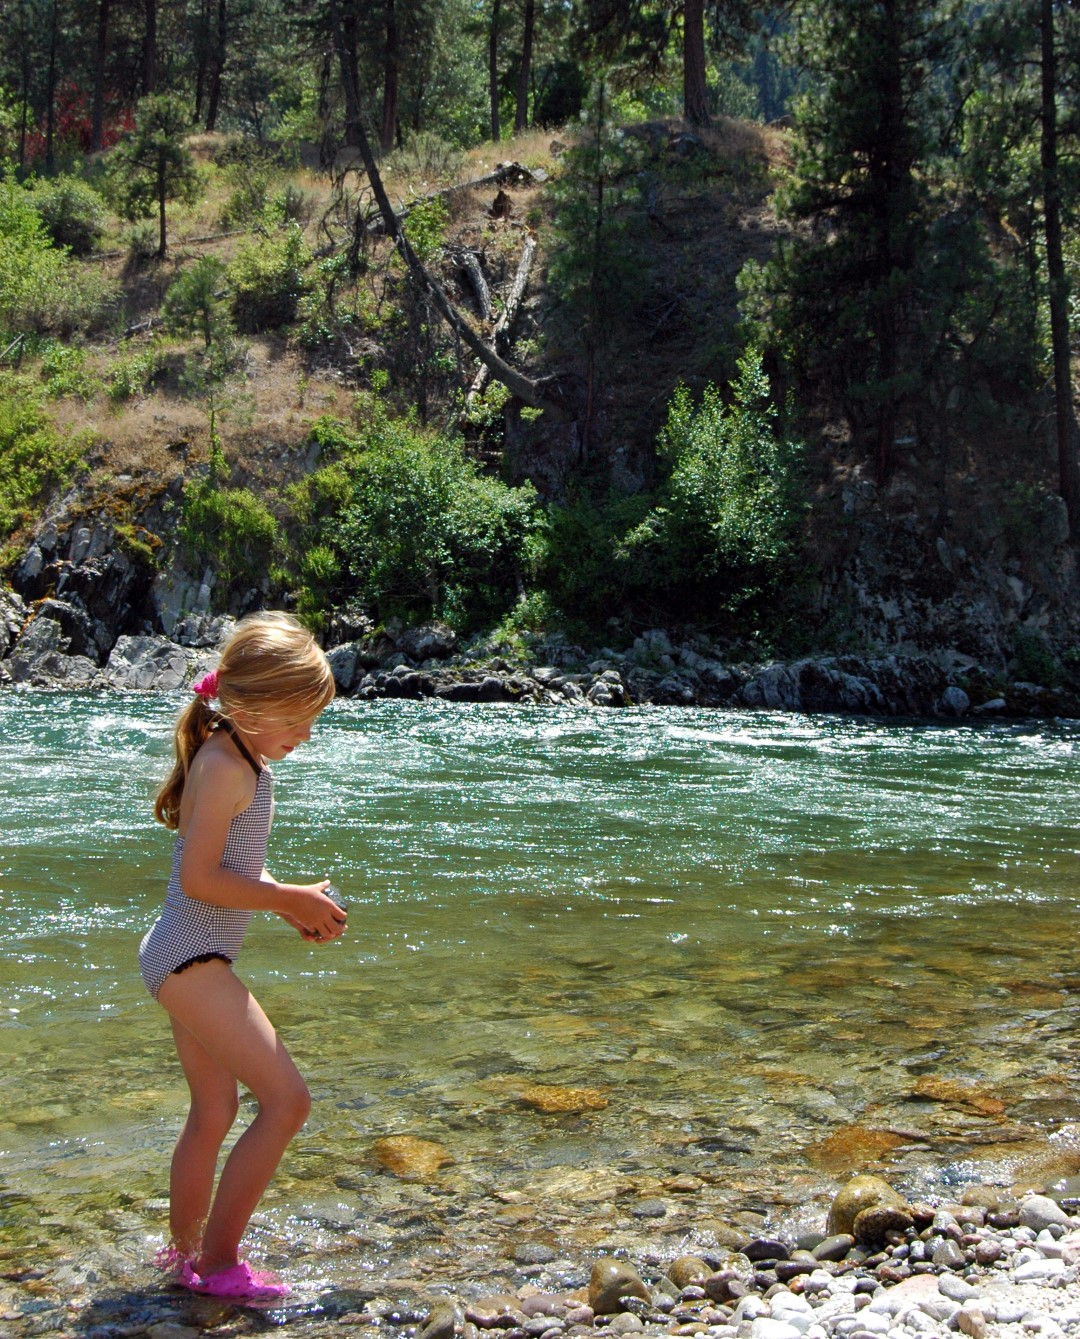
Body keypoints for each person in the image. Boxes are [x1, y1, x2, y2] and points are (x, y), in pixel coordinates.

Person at [139, 612, 345, 1302]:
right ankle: (221, 1264)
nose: (306, 736)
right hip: (192, 955)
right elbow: (200, 878)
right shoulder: (227, 764)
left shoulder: (235, 753)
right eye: (299, 720)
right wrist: (286, 899)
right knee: (287, 1100)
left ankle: (186, 1255)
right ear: (253, 707)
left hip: (183, 952)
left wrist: (293, 898)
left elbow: (228, 866)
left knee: (214, 1111)